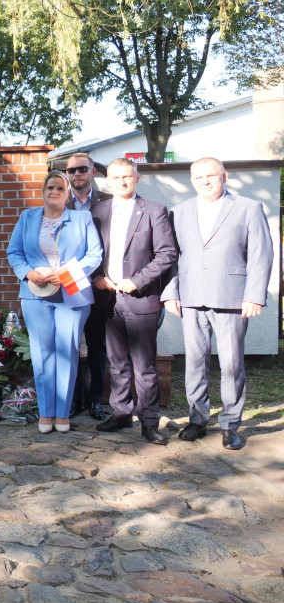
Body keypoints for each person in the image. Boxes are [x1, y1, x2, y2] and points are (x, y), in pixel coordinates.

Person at [161, 157, 273, 451]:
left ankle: (230, 424)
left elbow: (262, 255)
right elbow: (172, 258)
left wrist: (254, 295)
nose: (205, 181)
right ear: (192, 180)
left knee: (231, 364)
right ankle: (197, 419)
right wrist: (171, 292)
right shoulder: (180, 211)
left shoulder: (248, 208)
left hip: (232, 298)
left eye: (211, 175)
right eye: (199, 177)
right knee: (195, 363)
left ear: (224, 175)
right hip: (191, 298)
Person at [7, 170, 103, 433]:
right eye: (50, 187)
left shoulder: (82, 218)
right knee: (42, 354)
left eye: (60, 188)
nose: (55, 192)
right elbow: (14, 252)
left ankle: (63, 414)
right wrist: (29, 273)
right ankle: (45, 413)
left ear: (68, 193)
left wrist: (65, 274)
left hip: (72, 294)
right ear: (43, 191)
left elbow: (95, 254)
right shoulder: (27, 217)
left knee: (67, 353)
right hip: (36, 294)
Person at [90, 159, 178, 445]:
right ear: (109, 181)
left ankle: (149, 422)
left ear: (136, 178)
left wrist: (138, 280)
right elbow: (90, 251)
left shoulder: (154, 211)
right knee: (116, 362)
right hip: (107, 298)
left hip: (140, 298)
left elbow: (167, 253)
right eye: (116, 177)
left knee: (144, 365)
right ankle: (121, 413)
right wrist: (98, 276)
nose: (122, 182)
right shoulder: (98, 211)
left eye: (127, 176)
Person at [64, 151, 111, 421]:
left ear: (93, 172)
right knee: (69, 344)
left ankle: (95, 400)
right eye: (72, 170)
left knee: (96, 344)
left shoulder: (110, 203)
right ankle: (71, 400)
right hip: (66, 285)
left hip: (98, 284)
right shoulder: (59, 201)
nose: (77, 174)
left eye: (83, 169)